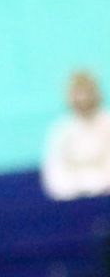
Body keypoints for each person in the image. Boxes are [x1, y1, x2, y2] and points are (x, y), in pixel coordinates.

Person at [42, 69, 110, 199]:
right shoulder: (60, 130)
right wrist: (75, 190)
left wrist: (96, 186)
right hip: (71, 204)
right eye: (78, 92)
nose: (82, 97)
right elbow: (54, 174)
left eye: (87, 91)